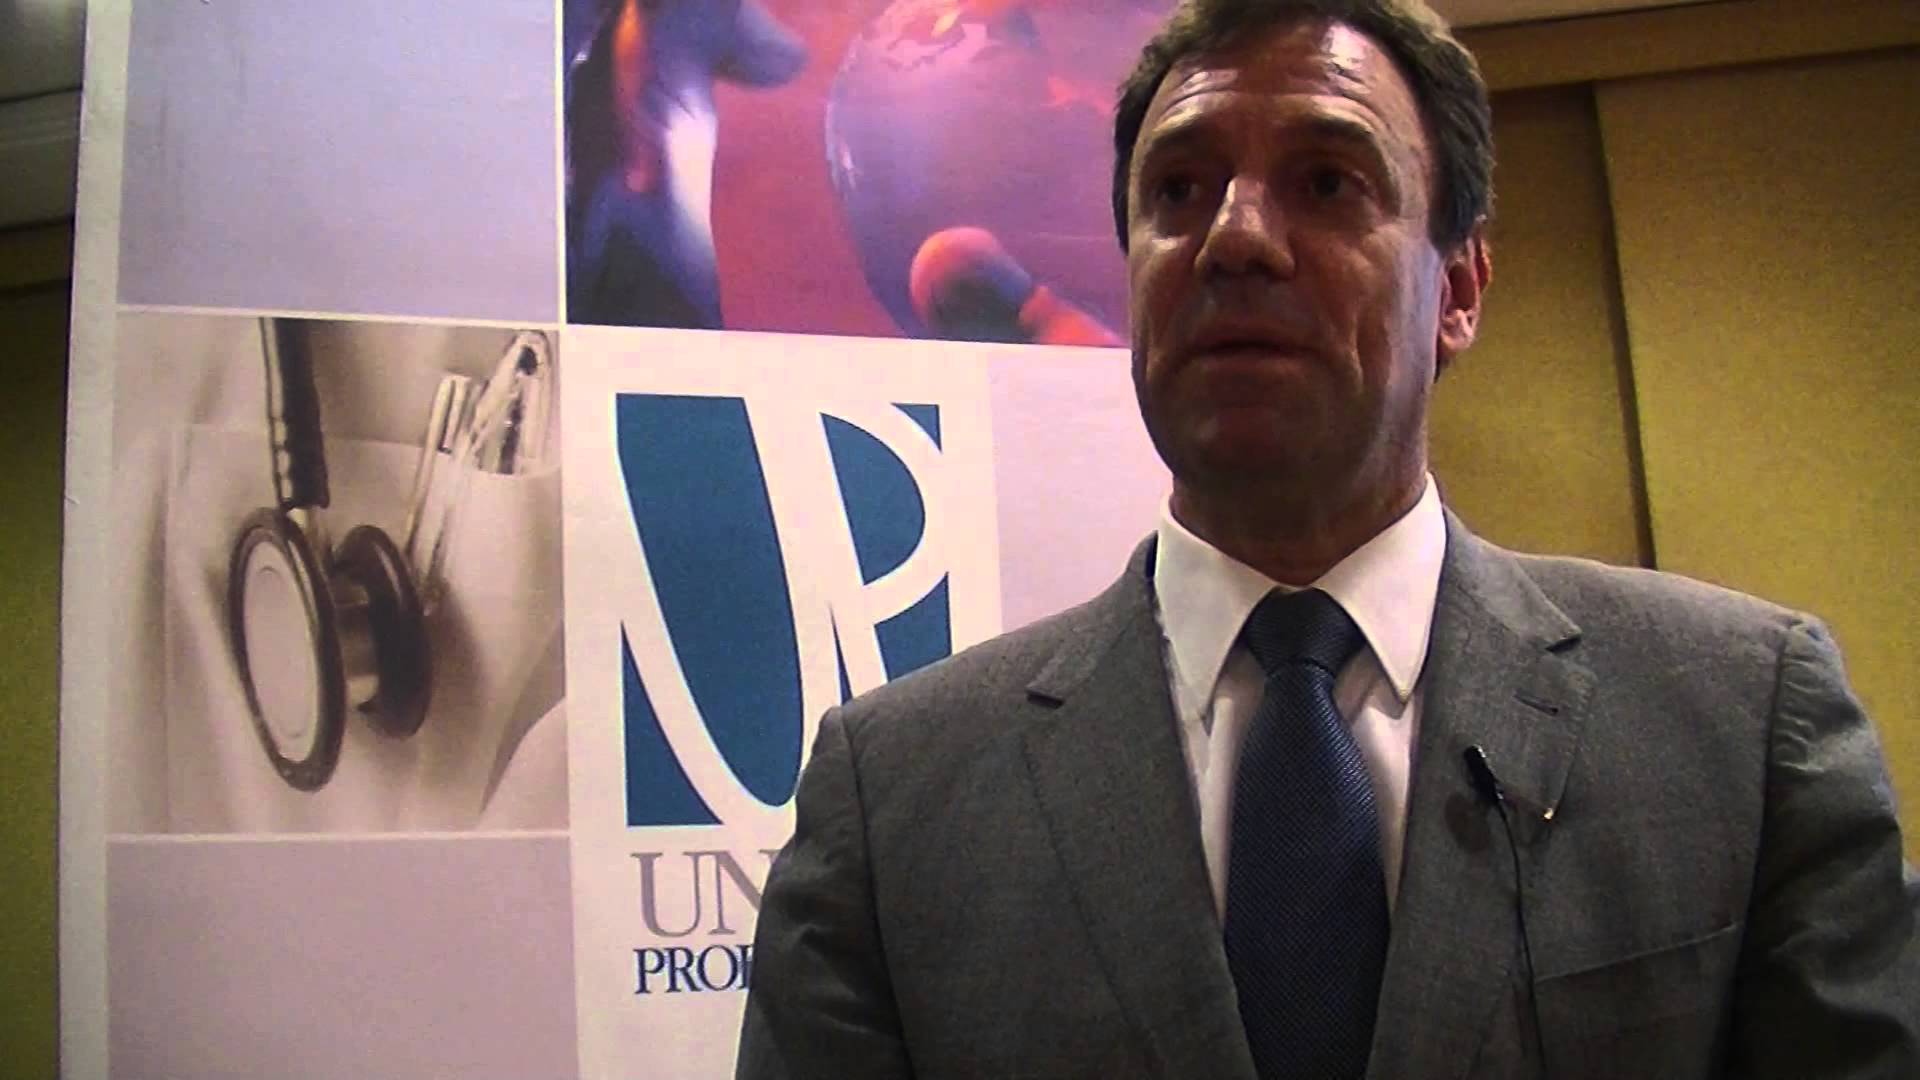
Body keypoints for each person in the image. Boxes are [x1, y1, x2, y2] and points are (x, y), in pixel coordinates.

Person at [735, 1, 1920, 1076]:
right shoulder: (894, 802)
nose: (1235, 238)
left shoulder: (1744, 724)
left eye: (1327, 181)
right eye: (1178, 192)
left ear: (1460, 289)